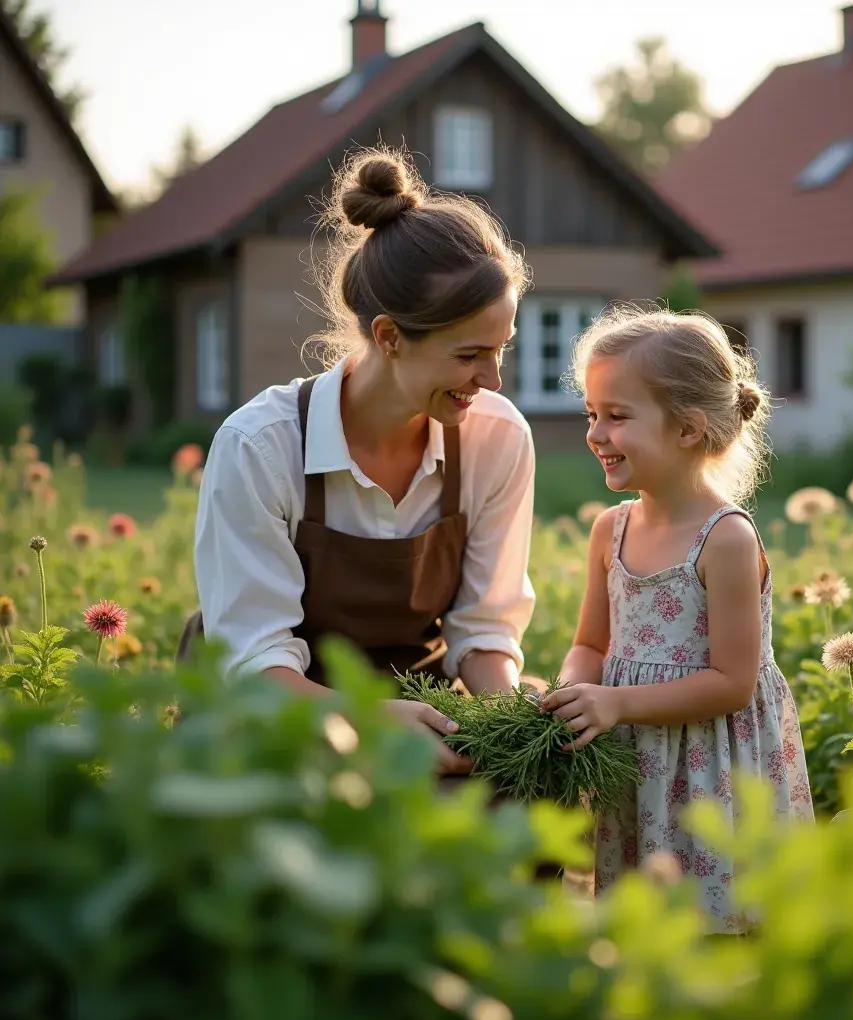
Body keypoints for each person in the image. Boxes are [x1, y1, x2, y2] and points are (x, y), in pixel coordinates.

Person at [181, 147, 538, 776]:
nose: (493, 379)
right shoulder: (261, 446)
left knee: (524, 800)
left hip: (419, 704)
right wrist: (369, 721)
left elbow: (484, 630)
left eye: (501, 349)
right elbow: (253, 662)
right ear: (389, 337)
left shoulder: (497, 438)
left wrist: (512, 725)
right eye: (469, 356)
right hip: (274, 716)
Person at [541, 306, 814, 931]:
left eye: (617, 416)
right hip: (638, 767)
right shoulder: (610, 530)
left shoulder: (725, 538)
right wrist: (572, 693)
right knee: (643, 927)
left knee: (721, 927)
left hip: (713, 770)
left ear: (688, 429)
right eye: (591, 414)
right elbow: (590, 644)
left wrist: (616, 703)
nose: (595, 434)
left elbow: (732, 683)